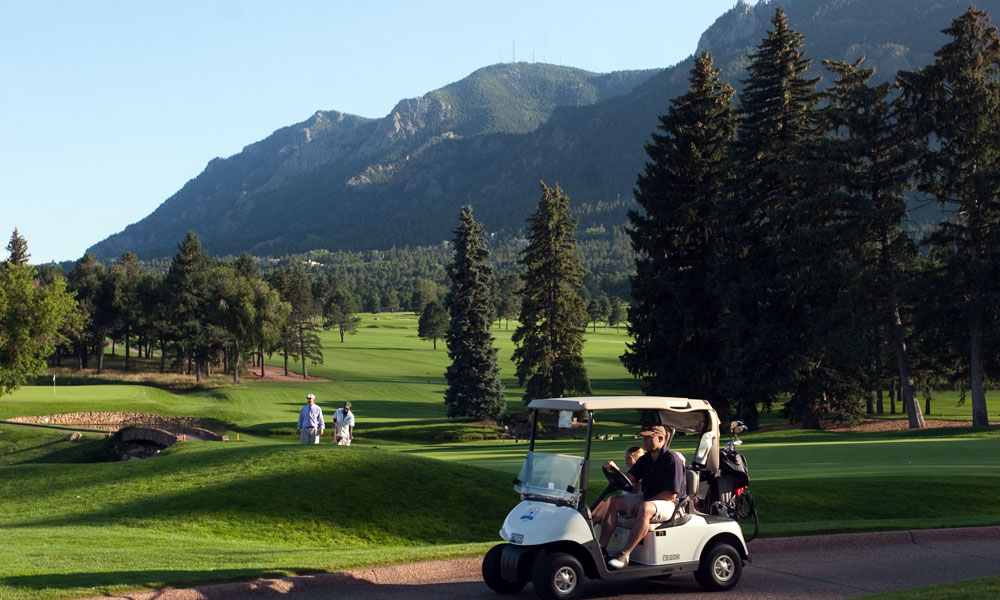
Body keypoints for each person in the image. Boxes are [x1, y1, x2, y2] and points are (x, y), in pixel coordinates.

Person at [598, 424, 686, 569]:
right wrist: (615, 470)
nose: (644, 441)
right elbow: (630, 477)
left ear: (661, 438)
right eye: (643, 437)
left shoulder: (672, 460)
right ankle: (602, 548)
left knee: (645, 508)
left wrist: (645, 502)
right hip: (649, 499)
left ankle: (624, 554)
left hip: (672, 504)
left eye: (648, 438)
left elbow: (671, 494)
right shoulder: (646, 459)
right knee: (614, 501)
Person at [591, 446, 645, 523]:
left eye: (629, 458)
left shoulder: (638, 474)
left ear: (638, 460)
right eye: (625, 458)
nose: (626, 460)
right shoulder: (629, 473)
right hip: (625, 501)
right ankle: (587, 521)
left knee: (608, 503)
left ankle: (593, 522)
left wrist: (616, 469)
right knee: (602, 503)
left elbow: (633, 490)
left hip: (633, 503)